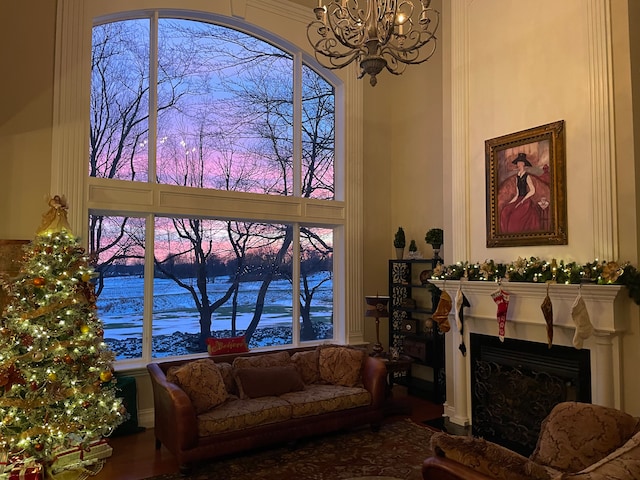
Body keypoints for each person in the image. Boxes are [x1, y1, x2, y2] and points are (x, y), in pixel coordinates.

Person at [499, 153, 542, 233]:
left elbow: (533, 190)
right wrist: (510, 202)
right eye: (518, 163)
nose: (518, 164)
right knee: (505, 211)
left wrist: (524, 199)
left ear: (523, 164)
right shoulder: (517, 177)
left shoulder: (527, 176)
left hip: (526, 200)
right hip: (518, 199)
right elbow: (517, 193)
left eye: (520, 162)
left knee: (515, 216)